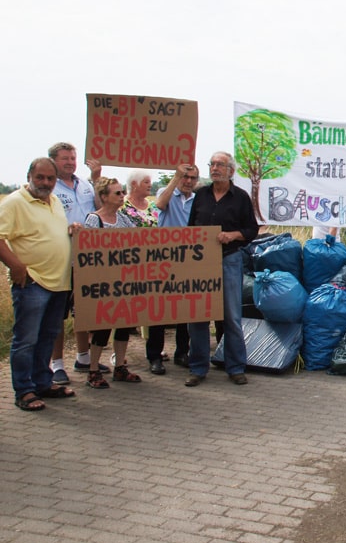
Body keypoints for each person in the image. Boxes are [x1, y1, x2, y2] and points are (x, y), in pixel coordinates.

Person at [0, 158, 76, 410]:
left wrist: (71, 231)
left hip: (58, 283)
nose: (45, 182)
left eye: (50, 178)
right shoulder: (14, 202)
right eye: (40, 177)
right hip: (33, 282)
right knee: (26, 340)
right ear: (29, 177)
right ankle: (24, 391)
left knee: (48, 336)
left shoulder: (54, 201)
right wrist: (16, 266)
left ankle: (43, 382)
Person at [185, 152, 260, 387]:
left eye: (220, 165)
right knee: (198, 315)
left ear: (231, 171)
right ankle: (198, 368)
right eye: (212, 164)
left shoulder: (240, 197)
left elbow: (251, 230)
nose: (215, 168)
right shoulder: (201, 195)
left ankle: (236, 367)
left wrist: (233, 235)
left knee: (231, 316)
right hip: (201, 263)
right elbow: (190, 227)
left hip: (229, 259)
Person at [48, 142, 104, 384]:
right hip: (61, 258)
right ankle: (57, 364)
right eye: (65, 158)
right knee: (57, 315)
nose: (70, 162)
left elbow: (100, 209)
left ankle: (83, 357)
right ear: (53, 161)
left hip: (86, 259)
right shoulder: (50, 187)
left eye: (73, 158)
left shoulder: (85, 185)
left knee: (84, 311)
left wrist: (96, 178)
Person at [82, 177, 143, 388]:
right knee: (102, 327)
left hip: (123, 281)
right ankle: (93, 370)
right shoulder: (94, 220)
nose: (122, 196)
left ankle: (120, 366)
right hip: (103, 283)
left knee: (124, 325)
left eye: (122, 192)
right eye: (117, 193)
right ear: (104, 196)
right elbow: (88, 252)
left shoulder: (123, 219)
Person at [147, 163, 199, 373]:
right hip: (164, 260)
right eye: (185, 177)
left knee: (185, 309)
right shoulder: (166, 193)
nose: (188, 181)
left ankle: (182, 352)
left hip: (188, 260)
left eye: (192, 178)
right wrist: (175, 178)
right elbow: (159, 205)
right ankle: (155, 355)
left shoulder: (197, 200)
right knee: (160, 310)